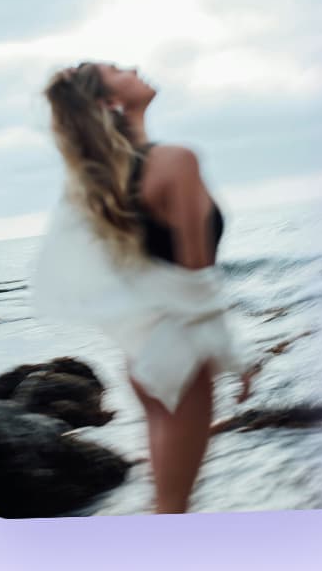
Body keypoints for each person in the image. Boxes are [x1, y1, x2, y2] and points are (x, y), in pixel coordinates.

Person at [33, 61, 257, 514]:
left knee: (166, 504)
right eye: (117, 70)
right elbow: (197, 282)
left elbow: (123, 274)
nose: (132, 67)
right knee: (173, 509)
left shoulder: (98, 185)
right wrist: (237, 356)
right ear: (111, 102)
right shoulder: (175, 161)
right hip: (182, 352)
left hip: (144, 355)